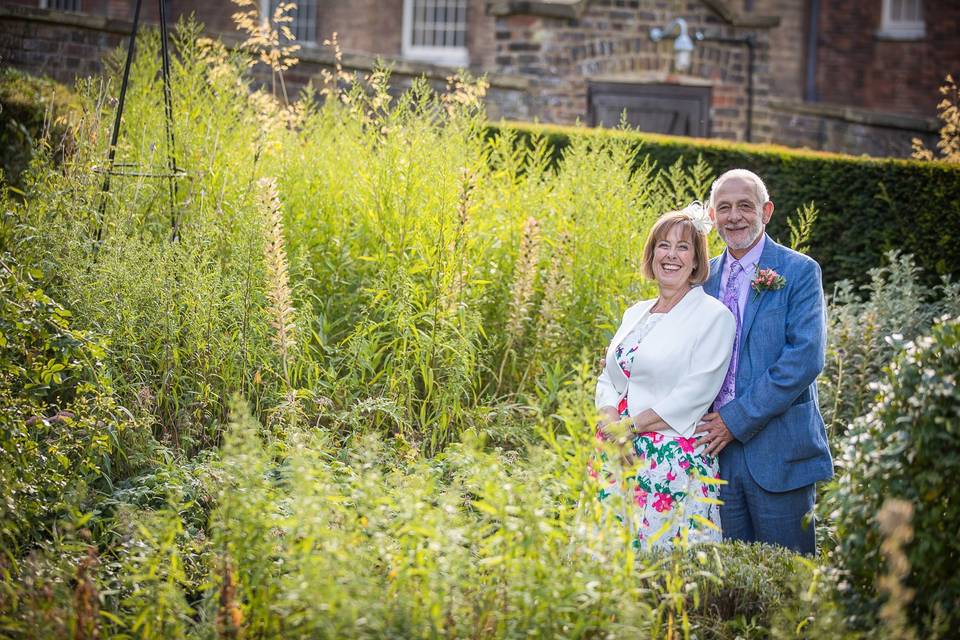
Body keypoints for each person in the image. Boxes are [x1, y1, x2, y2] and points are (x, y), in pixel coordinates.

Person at [694, 169, 833, 555]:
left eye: (745, 206)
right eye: (724, 208)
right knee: (728, 576)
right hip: (714, 455)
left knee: (788, 576)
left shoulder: (799, 271)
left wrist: (735, 420)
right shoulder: (702, 277)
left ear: (766, 211)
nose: (734, 216)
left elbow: (804, 358)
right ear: (712, 215)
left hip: (779, 452)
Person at [593, 205, 736, 550]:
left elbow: (696, 393)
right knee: (609, 562)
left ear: (696, 261)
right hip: (618, 452)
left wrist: (630, 427)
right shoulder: (635, 313)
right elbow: (610, 377)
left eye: (683, 247)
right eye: (663, 245)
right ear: (652, 253)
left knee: (664, 564)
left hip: (669, 461)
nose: (671, 255)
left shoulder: (714, 317)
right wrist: (611, 426)